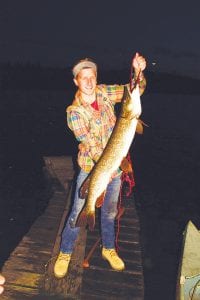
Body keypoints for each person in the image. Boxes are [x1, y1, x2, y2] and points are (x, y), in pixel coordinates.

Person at [54, 52, 147, 278]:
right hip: (92, 168)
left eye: (92, 76)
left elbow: (134, 89)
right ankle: (65, 252)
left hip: (113, 168)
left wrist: (138, 72)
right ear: (76, 81)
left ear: (96, 77)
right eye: (83, 77)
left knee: (110, 212)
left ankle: (109, 249)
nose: (88, 81)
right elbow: (92, 147)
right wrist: (110, 168)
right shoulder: (74, 112)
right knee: (78, 210)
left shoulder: (104, 92)